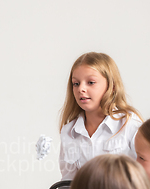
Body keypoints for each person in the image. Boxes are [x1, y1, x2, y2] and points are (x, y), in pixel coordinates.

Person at [59, 52, 142, 180]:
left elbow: (145, 177)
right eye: (76, 83)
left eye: (91, 82)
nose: (81, 89)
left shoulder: (130, 124)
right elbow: (68, 182)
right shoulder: (69, 132)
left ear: (111, 86)